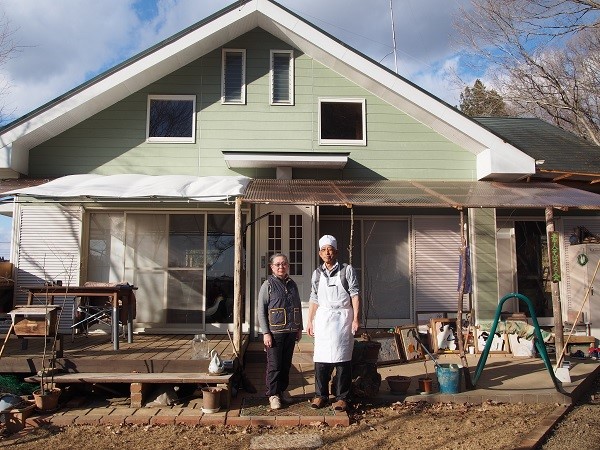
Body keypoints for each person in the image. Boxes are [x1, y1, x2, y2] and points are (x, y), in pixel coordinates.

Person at [307, 235, 360, 412]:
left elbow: (354, 294)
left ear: (336, 252)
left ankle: (342, 397)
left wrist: (355, 319)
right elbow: (314, 297)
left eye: (330, 249)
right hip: (323, 318)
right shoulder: (316, 274)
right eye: (324, 249)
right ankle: (320, 395)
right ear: (319, 253)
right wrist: (310, 321)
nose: (327, 253)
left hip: (342, 318)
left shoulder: (347, 270)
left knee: (342, 359)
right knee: (321, 359)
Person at [257, 253, 303, 410]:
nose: (281, 267)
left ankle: (282, 391)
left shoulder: (293, 285)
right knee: (274, 365)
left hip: (291, 331)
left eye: (284, 264)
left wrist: (299, 328)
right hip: (275, 333)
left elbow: (298, 307)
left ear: (288, 266)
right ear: (271, 267)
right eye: (277, 264)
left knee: (285, 364)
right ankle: (273, 394)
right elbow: (261, 311)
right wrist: (266, 333)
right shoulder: (267, 285)